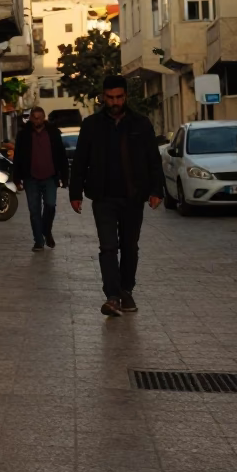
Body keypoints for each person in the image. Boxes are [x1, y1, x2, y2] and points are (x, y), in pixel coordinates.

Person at [68, 76, 164, 317]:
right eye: (110, 98)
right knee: (108, 247)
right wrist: (75, 192)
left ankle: (126, 289)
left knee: (130, 247)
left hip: (133, 197)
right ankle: (112, 296)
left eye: (119, 97)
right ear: (103, 97)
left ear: (126, 97)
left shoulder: (141, 124)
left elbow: (154, 159)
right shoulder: (91, 125)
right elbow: (80, 161)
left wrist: (156, 190)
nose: (115, 102)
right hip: (103, 198)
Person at [13, 106, 70, 251]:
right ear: (31, 118)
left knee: (50, 205)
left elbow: (61, 155)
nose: (37, 120)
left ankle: (46, 230)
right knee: (34, 210)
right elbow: (18, 156)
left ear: (44, 117)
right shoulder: (24, 135)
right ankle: (38, 241)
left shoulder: (53, 133)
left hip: (50, 177)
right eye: (34, 117)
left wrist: (65, 177)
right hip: (31, 178)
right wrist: (17, 178)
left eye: (39, 117)